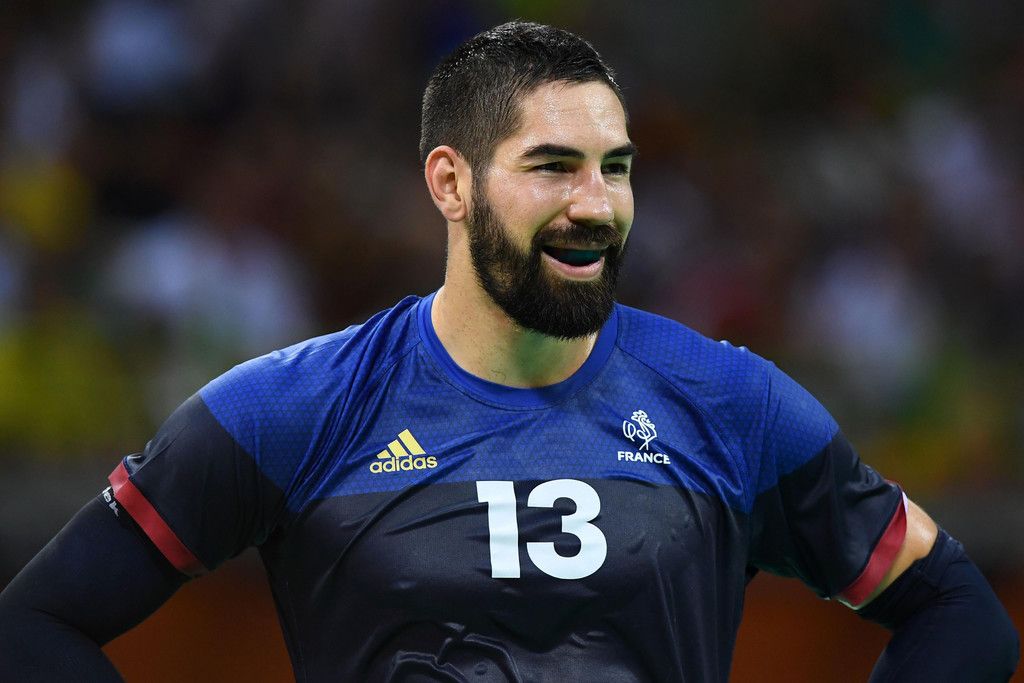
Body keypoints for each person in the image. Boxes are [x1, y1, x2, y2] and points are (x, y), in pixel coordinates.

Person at [0, 20, 1018, 683]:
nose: (596, 205)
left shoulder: (732, 402)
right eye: (553, 166)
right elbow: (33, 625)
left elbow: (960, 611)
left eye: (615, 168)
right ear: (450, 183)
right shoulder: (289, 409)